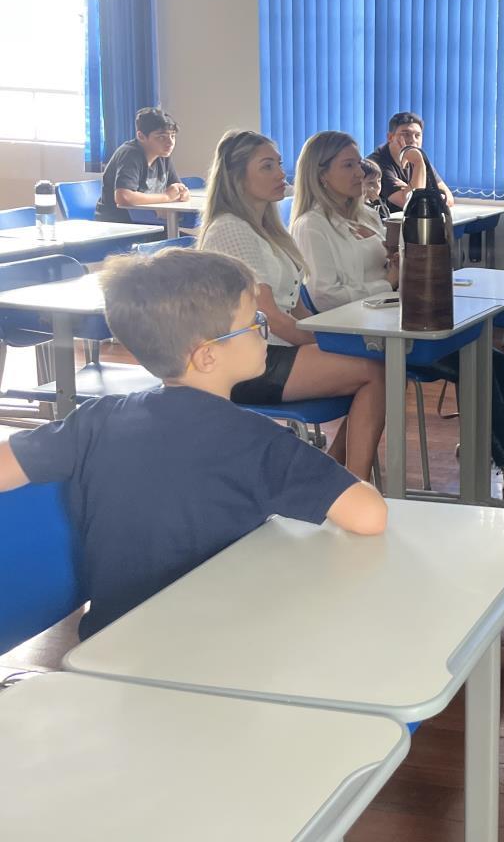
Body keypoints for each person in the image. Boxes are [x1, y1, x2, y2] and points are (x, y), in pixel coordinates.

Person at [0, 248, 387, 639]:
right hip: (217, 644)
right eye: (254, 323)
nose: (263, 329)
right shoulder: (255, 440)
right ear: (207, 356)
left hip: (109, 642)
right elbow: (369, 516)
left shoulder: (94, 420)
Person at [291, 131, 504, 495]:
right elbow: (327, 297)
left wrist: (399, 267)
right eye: (348, 165)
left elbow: (392, 263)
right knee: (476, 362)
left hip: (397, 318)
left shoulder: (365, 214)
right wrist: (387, 282)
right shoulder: (312, 226)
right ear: (321, 174)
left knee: (490, 358)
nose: (359, 172)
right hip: (362, 336)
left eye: (357, 164)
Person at [198, 129, 387, 482]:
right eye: (266, 166)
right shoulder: (230, 229)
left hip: (274, 349)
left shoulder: (268, 230)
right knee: (374, 371)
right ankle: (353, 483)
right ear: (237, 177)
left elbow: (298, 309)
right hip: (247, 361)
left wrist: (332, 337)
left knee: (378, 365)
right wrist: (325, 341)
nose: (279, 174)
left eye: (279, 164)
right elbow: (270, 316)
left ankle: (337, 477)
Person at [95, 106, 188, 222]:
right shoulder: (130, 154)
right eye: (161, 137)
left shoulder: (163, 155)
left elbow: (178, 189)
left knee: (194, 234)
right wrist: (167, 197)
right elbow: (123, 197)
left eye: (172, 136)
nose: (170, 142)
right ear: (141, 136)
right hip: (120, 224)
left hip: (148, 222)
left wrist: (182, 193)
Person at [370, 111, 453, 212]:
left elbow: (448, 198)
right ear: (390, 137)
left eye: (417, 135)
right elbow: (412, 204)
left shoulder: (418, 159)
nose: (413, 140)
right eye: (406, 134)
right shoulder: (377, 164)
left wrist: (419, 194)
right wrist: (418, 163)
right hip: (384, 221)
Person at [360, 157, 388, 229]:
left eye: (379, 181)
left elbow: (388, 219)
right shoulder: (360, 207)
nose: (378, 186)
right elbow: (384, 221)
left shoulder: (373, 202)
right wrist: (377, 200)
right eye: (371, 183)